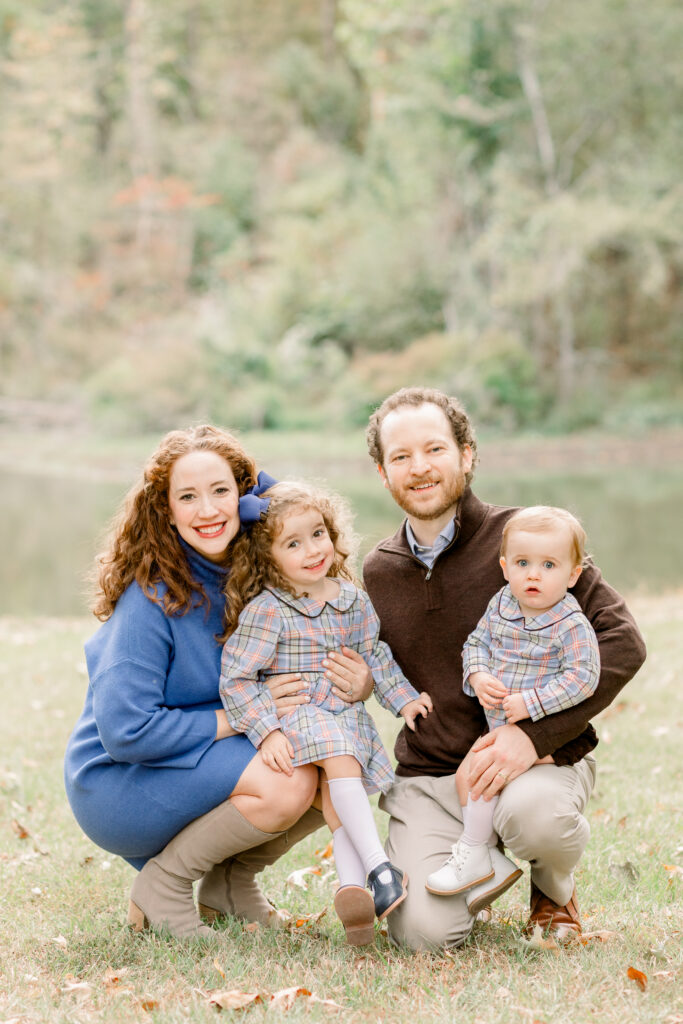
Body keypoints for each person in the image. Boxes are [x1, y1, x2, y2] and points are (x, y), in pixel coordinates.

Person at [363, 386, 647, 950]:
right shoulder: (377, 570)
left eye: (435, 449)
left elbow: (623, 642)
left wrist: (532, 735)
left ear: (467, 454)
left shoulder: (529, 539)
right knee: (421, 935)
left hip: (533, 762)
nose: (419, 468)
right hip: (434, 778)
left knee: (536, 817)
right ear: (382, 471)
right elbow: (375, 660)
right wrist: (357, 678)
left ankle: (552, 886)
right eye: (401, 457)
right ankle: (482, 863)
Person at [64, 426, 372, 939]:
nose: (207, 510)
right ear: (165, 509)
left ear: (245, 495)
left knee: (339, 757)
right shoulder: (150, 599)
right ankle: (163, 885)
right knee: (289, 777)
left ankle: (231, 886)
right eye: (188, 496)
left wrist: (358, 681)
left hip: (193, 758)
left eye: (222, 491)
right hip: (119, 780)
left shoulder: (259, 576)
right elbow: (125, 732)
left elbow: (318, 659)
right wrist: (242, 716)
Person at [219, 481, 433, 945]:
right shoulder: (268, 611)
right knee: (340, 757)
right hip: (297, 716)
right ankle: (380, 866)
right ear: (269, 557)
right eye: (293, 543)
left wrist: (404, 698)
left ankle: (354, 898)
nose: (312, 549)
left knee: (342, 797)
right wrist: (266, 731)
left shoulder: (352, 599)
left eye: (318, 534)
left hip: (343, 714)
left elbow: (375, 655)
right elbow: (237, 678)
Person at [426, 506, 600, 897]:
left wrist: (532, 703)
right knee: (468, 778)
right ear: (505, 567)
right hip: (501, 729)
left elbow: (583, 678)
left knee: (506, 794)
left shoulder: (570, 624)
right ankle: (483, 858)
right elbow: (477, 643)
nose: (533, 574)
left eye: (549, 565)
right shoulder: (502, 604)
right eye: (522, 563)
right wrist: (478, 674)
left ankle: (483, 855)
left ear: (573, 575)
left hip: (555, 739)